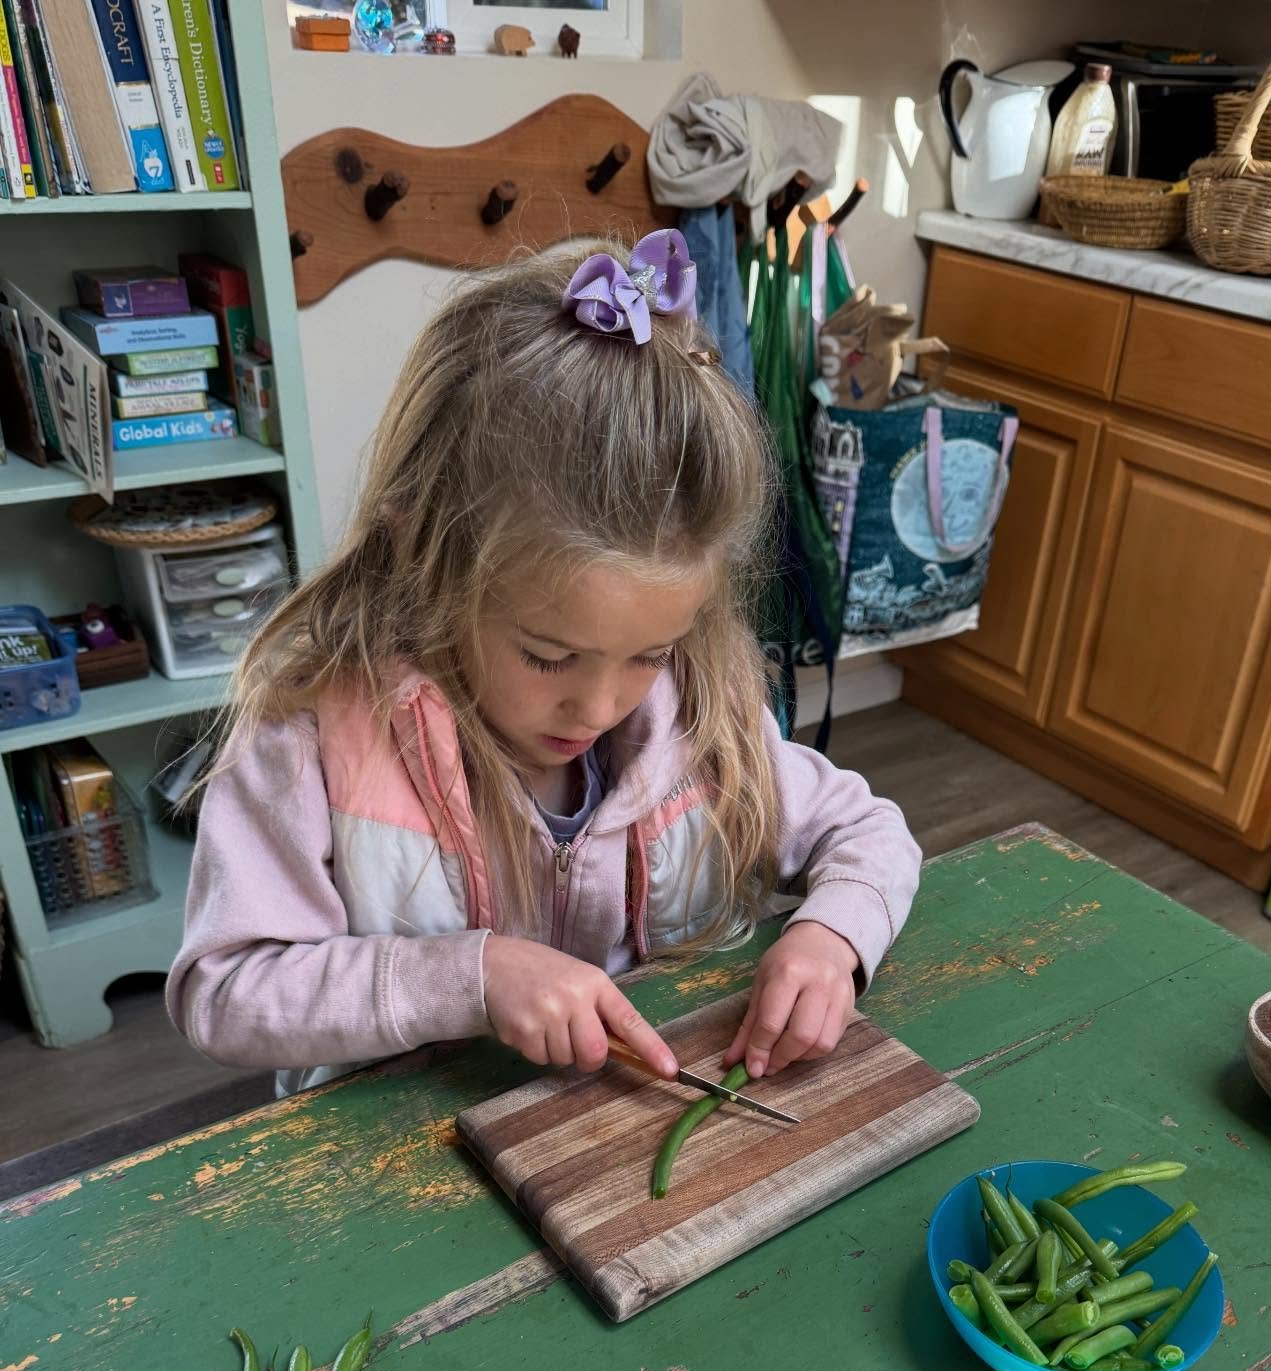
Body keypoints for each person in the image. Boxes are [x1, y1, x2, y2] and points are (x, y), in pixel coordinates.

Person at [167, 231, 921, 1098]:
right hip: (393, 1168)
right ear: (428, 551)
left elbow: (870, 834)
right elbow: (222, 990)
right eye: (549, 655)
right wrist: (472, 977)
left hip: (602, 1133)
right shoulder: (308, 736)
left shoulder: (701, 710)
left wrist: (833, 938)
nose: (599, 706)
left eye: (651, 653)